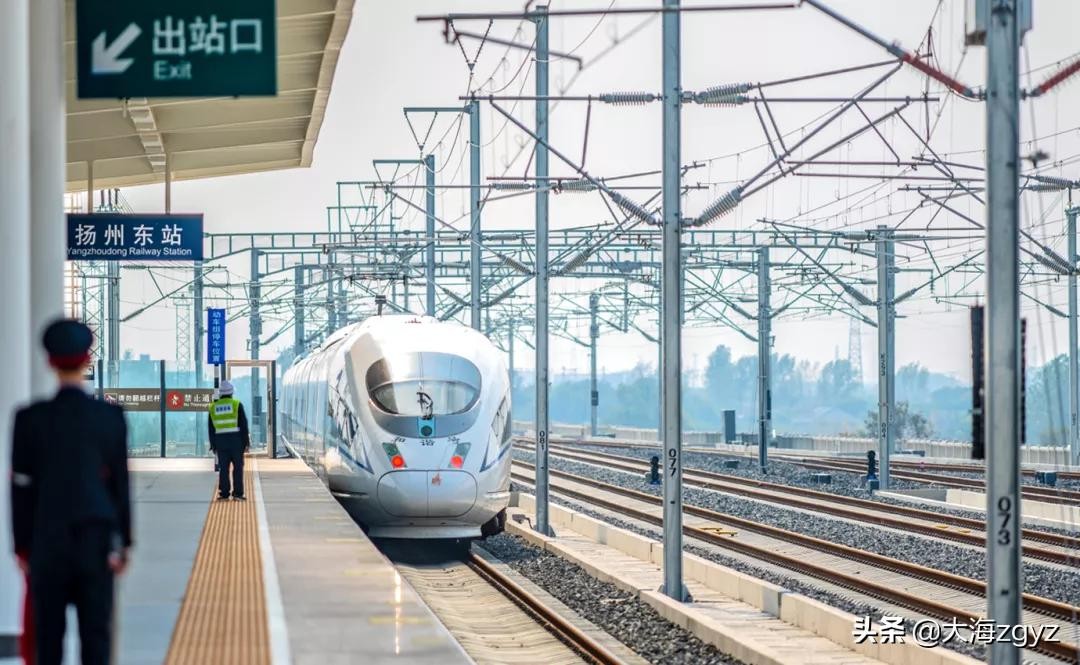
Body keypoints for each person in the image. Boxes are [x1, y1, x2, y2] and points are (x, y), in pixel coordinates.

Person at [10, 319, 132, 665]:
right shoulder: (110, 417)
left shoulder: (29, 419)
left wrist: (22, 547)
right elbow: (119, 485)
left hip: (46, 543)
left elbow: (21, 489)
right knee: (96, 637)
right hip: (96, 542)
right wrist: (123, 543)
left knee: (47, 641)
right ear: (87, 359)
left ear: (49, 362)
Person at [208, 381, 250, 500]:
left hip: (221, 443)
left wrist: (213, 445)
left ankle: (224, 493)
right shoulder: (237, 405)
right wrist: (246, 443)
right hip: (236, 442)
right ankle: (238, 494)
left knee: (223, 469)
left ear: (220, 394)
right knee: (238, 468)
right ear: (231, 393)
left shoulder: (213, 407)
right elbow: (244, 426)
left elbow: (211, 429)